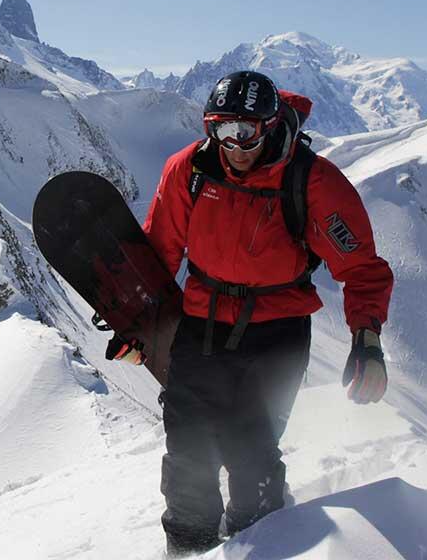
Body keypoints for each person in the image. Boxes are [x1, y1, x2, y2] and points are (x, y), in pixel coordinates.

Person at [111, 70, 393, 557]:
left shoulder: (313, 181)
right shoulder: (191, 170)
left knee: (252, 454)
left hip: (277, 334)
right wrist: (135, 325)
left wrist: (366, 338)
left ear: (270, 124)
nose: (235, 145)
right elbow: (160, 252)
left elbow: (362, 268)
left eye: (247, 132)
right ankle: (188, 546)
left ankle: (259, 545)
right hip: (201, 324)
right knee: (188, 450)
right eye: (221, 130)